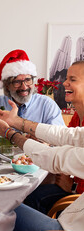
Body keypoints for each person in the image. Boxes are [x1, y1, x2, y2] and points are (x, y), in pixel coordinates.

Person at [0, 100, 84, 231]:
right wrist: (16, 122)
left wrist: (9, 133)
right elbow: (66, 135)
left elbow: (53, 157)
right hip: (70, 221)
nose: (65, 83)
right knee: (1, 225)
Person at [23, 61, 84, 214]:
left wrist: (73, 187)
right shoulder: (76, 116)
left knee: (29, 200)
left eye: (72, 79)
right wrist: (45, 143)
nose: (65, 83)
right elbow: (65, 147)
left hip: (78, 200)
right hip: (70, 186)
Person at [0, 49, 65, 142]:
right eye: (17, 82)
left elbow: (60, 137)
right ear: (7, 86)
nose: (24, 87)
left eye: (28, 80)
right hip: (6, 158)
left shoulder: (47, 104)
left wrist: (42, 140)